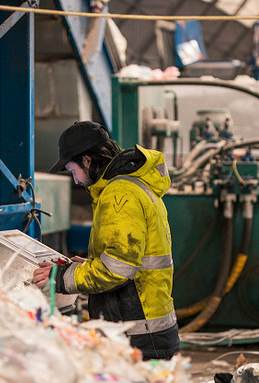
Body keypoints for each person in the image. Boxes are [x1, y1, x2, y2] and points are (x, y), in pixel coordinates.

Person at [33, 121, 180, 360]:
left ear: (87, 161)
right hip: (147, 327)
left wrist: (59, 277)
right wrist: (87, 265)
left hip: (138, 334)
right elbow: (126, 259)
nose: (76, 180)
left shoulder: (119, 193)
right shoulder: (131, 185)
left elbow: (117, 270)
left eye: (72, 170)